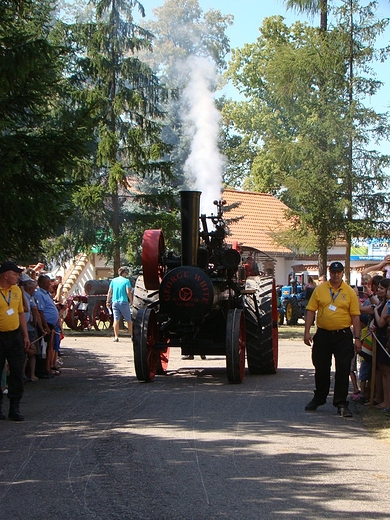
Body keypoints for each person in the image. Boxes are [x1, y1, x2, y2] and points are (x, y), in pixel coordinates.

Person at [303, 261, 361, 417]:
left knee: (343, 368)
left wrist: (357, 338)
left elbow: (355, 316)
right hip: (323, 334)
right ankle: (319, 397)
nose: (335, 275)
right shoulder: (320, 290)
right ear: (329, 272)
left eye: (338, 272)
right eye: (333, 272)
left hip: (342, 335)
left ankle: (341, 403)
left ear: (342, 273)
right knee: (321, 367)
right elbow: (310, 310)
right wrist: (307, 331)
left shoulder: (349, 292)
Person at [0, 261, 30, 421]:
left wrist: (25, 336)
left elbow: (20, 314)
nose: (18, 277)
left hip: (15, 336)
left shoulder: (17, 290)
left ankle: (14, 408)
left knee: (17, 372)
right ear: (6, 275)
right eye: (15, 273)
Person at [35, 274, 60, 377]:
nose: (48, 284)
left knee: (50, 346)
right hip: (46, 324)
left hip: (52, 324)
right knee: (44, 347)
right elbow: (40, 312)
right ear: (40, 283)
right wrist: (45, 326)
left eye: (49, 282)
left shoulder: (46, 294)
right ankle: (43, 369)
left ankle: (48, 367)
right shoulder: (39, 294)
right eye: (46, 283)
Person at [106, 266, 133, 342]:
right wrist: (131, 301)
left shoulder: (113, 281)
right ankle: (132, 335)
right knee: (128, 320)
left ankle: (116, 336)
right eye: (126, 273)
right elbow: (128, 292)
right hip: (123, 302)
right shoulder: (126, 281)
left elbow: (109, 292)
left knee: (116, 319)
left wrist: (108, 301)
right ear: (124, 273)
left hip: (115, 302)